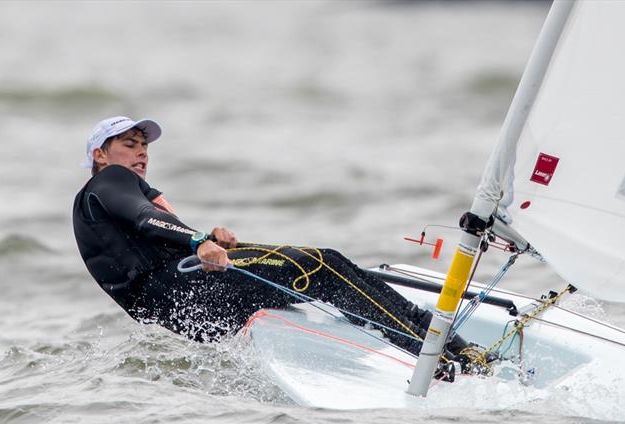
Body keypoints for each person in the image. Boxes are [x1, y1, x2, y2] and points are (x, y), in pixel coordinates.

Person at [72, 116, 473, 363]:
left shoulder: (104, 199)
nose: (141, 153)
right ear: (100, 155)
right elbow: (144, 219)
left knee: (329, 263)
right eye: (129, 145)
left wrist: (207, 238)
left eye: (144, 146)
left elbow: (145, 234)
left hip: (182, 312)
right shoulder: (109, 181)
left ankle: (426, 334)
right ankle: (432, 347)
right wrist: (198, 241)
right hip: (185, 292)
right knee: (318, 267)